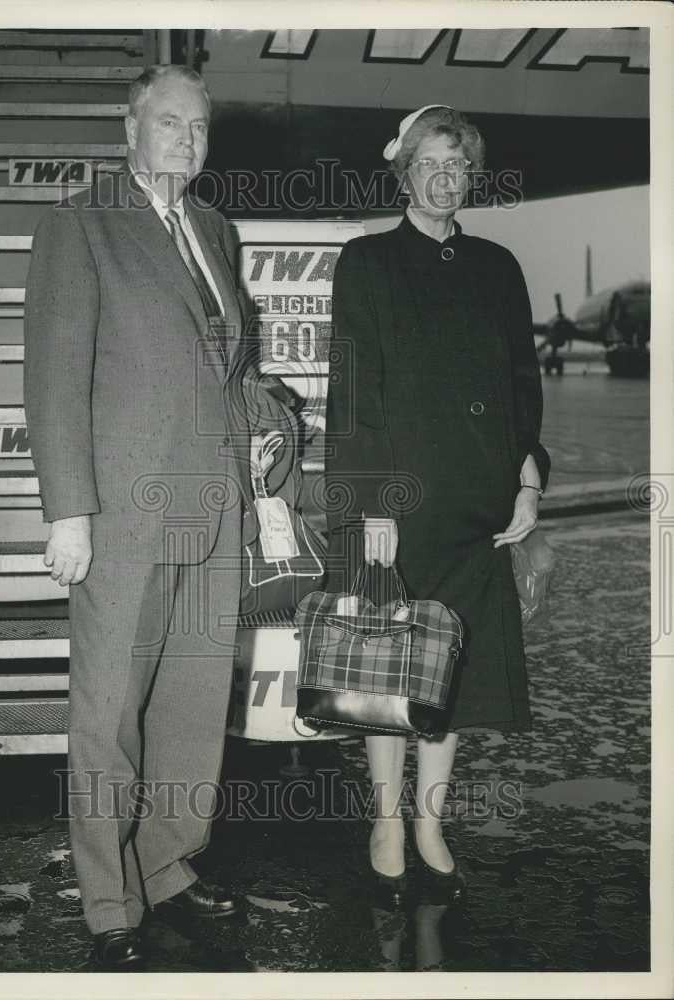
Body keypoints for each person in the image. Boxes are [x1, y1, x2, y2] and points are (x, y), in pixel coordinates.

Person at [24, 64, 253, 970]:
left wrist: (262, 436)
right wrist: (68, 514)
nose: (185, 141)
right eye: (168, 124)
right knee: (109, 715)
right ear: (130, 127)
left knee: (192, 713)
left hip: (213, 512)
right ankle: (108, 898)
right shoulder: (81, 226)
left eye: (198, 128)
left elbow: (226, 373)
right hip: (119, 515)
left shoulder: (215, 230)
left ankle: (167, 865)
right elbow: (52, 379)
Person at [324, 105, 550, 905]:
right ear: (404, 170)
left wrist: (528, 477)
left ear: (470, 176)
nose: (443, 176)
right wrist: (370, 504)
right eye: (429, 161)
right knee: (392, 669)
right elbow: (353, 395)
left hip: (478, 509)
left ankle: (429, 823)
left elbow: (522, 386)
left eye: (457, 164)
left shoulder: (498, 266)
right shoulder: (367, 262)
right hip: (402, 507)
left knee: (450, 676)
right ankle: (385, 821)